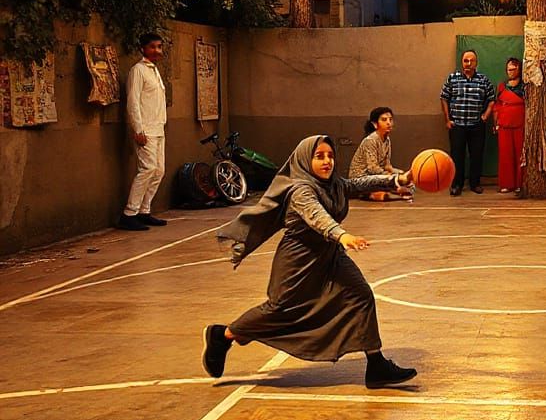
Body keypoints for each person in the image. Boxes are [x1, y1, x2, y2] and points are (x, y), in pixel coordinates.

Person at [201, 135, 417, 388]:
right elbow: (317, 217)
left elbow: (358, 184)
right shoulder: (300, 190)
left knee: (361, 295)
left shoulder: (333, 184)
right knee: (279, 310)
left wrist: (397, 179)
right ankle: (223, 335)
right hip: (299, 260)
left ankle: (377, 365)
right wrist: (342, 235)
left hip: (330, 256)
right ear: (305, 159)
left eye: (330, 156)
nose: (327, 161)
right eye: (319, 156)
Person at [118, 32, 168, 231]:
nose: (157, 51)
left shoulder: (153, 70)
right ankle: (129, 214)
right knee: (146, 170)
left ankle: (144, 211)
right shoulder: (137, 70)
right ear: (143, 49)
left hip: (158, 129)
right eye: (153, 47)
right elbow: (133, 102)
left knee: (159, 171)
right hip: (145, 130)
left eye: (159, 47)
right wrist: (138, 129)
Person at [440, 49, 495, 196]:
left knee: (476, 155)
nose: (468, 64)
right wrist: (447, 119)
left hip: (476, 125)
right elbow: (444, 98)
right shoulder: (452, 78)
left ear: (476, 63)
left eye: (471, 61)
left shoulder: (483, 80)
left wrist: (486, 115)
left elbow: (491, 99)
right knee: (457, 156)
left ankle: (475, 184)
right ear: (462, 62)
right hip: (457, 125)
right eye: (466, 61)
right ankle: (456, 184)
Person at [348, 106, 411, 202]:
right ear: (375, 124)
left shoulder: (387, 140)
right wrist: (394, 178)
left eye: (390, 119)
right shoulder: (370, 140)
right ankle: (369, 193)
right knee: (394, 183)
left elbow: (387, 166)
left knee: (406, 182)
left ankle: (387, 191)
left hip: (377, 176)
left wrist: (401, 173)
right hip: (361, 178)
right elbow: (372, 169)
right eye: (384, 120)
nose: (388, 123)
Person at [493, 57, 526, 194]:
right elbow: (496, 106)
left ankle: (520, 184)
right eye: (508, 69)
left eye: (513, 69)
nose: (510, 72)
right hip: (504, 125)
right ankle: (507, 184)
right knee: (505, 154)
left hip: (520, 124)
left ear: (519, 69)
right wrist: (495, 123)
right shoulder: (502, 87)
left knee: (520, 154)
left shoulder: (525, 87)